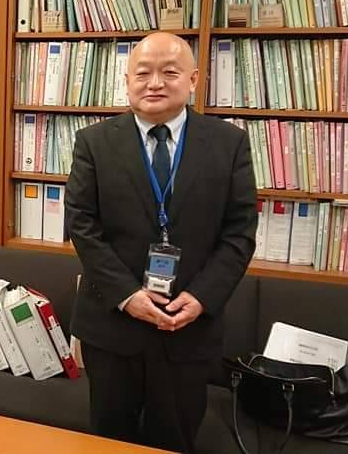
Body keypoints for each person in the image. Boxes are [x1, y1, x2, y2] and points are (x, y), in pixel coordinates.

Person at [65, 32, 257, 452]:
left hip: (187, 328)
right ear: (127, 81)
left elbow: (240, 232)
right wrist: (127, 295)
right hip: (112, 327)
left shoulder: (228, 143)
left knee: (174, 440)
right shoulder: (94, 142)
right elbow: (82, 225)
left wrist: (202, 297)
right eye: (143, 73)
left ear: (193, 80)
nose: (154, 83)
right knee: (109, 442)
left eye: (169, 72)